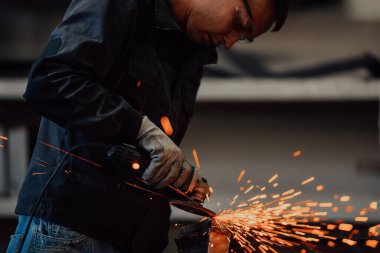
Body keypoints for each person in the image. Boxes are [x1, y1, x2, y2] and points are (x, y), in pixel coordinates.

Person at [7, 0, 291, 252]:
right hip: (71, 231)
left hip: (136, 236)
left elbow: (140, 149)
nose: (229, 41)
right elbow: (51, 79)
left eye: (242, 38)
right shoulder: (124, 5)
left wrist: (174, 179)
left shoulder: (192, 45)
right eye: (238, 22)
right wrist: (140, 129)